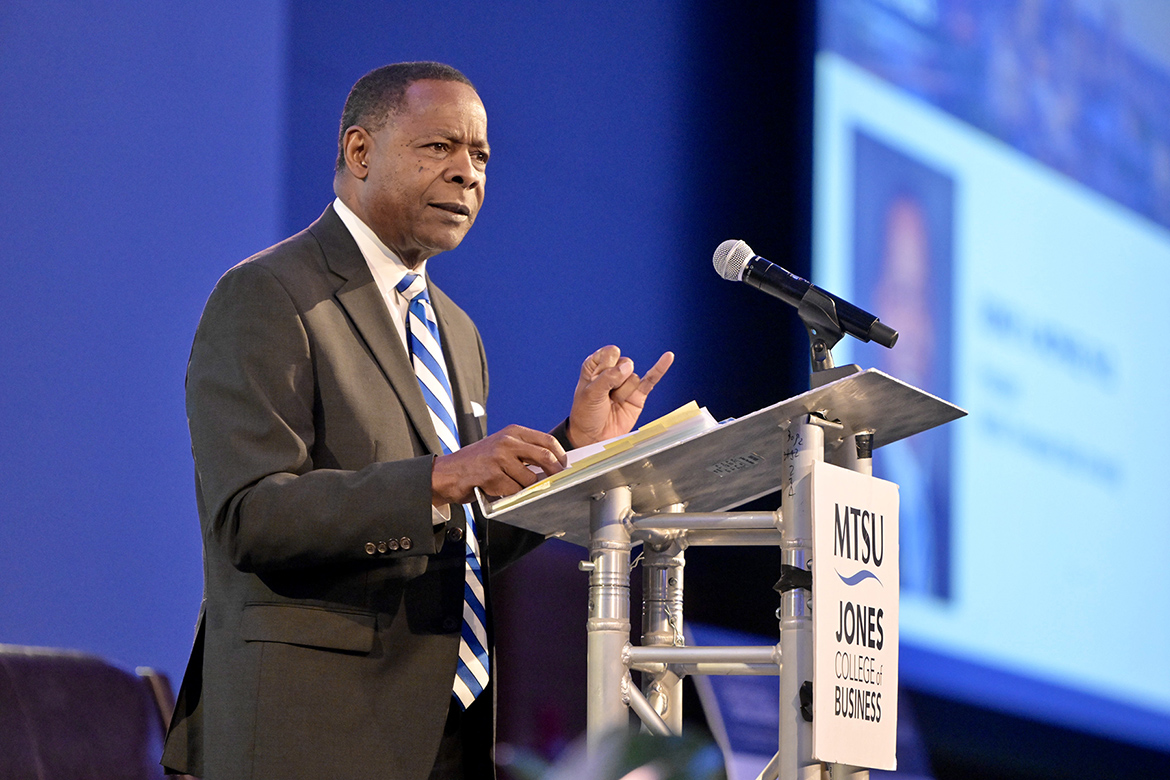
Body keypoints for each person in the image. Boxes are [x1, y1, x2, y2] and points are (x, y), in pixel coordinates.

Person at [161, 61, 673, 780]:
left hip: (442, 733)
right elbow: (251, 516)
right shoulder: (269, 295)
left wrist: (574, 448)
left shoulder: (456, 331)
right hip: (306, 734)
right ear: (360, 152)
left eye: (482, 156)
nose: (468, 174)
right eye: (440, 148)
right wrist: (438, 477)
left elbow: (460, 538)